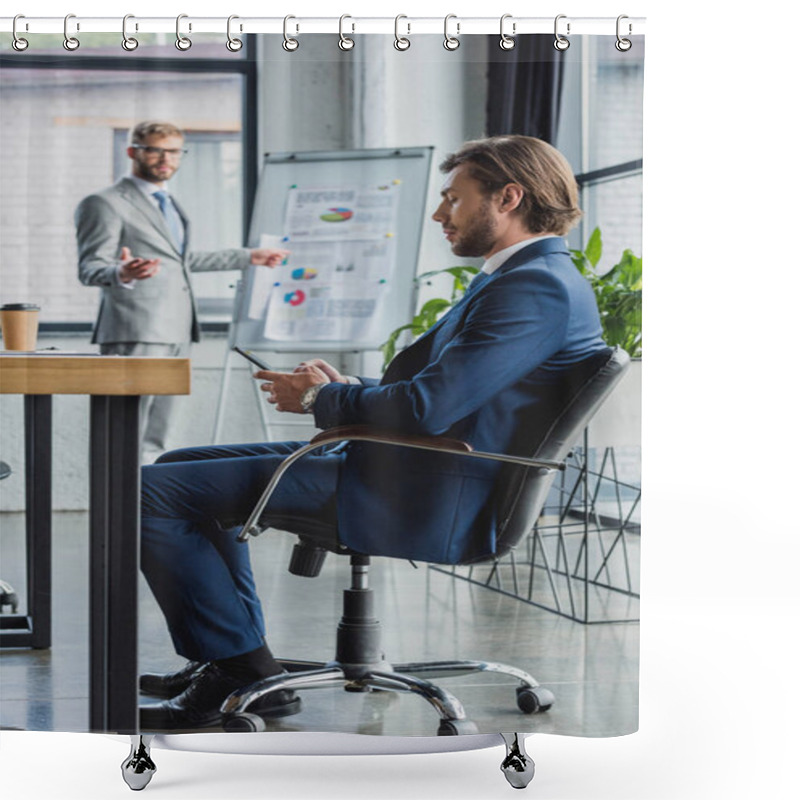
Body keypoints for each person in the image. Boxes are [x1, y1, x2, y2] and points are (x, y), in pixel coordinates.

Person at [137, 135, 609, 730]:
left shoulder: (534, 288)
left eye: (452, 199)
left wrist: (319, 397)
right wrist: (348, 386)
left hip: (427, 488)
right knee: (177, 463)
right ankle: (237, 662)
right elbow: (450, 395)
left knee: (148, 495)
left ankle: (240, 668)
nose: (439, 213)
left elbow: (427, 408)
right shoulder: (523, 277)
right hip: (417, 464)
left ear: (508, 198)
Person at [75, 121, 288, 459]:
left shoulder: (169, 203)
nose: (166, 159)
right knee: (124, 432)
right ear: (133, 152)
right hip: (135, 330)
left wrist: (250, 257)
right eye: (155, 149)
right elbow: (89, 268)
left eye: (174, 151)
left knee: (157, 437)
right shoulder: (105, 203)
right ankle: (116, 509)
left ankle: (144, 507)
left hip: (177, 330)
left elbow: (181, 261)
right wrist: (122, 271)